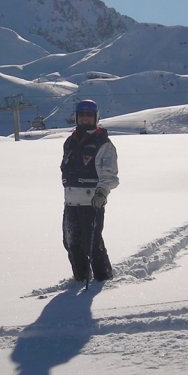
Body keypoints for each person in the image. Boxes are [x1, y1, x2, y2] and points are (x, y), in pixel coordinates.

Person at [60, 99, 119, 282]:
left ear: (95, 118)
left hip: (92, 201)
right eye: (82, 115)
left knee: (91, 243)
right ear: (77, 118)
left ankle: (103, 278)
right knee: (71, 242)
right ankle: (81, 277)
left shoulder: (103, 143)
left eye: (89, 115)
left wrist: (102, 193)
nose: (85, 119)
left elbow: (109, 175)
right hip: (71, 200)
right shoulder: (70, 141)